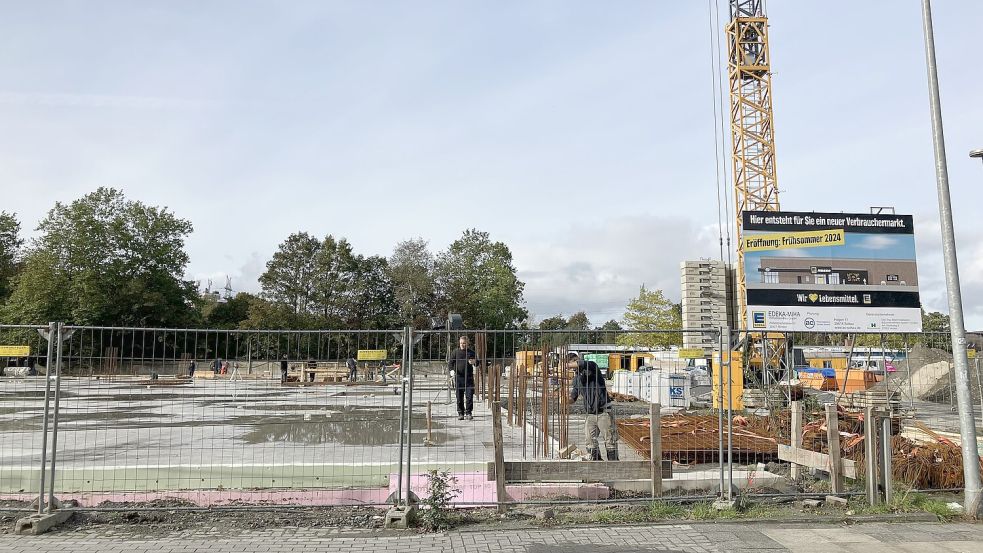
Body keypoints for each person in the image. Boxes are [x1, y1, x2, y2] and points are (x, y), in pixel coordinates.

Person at [567, 352, 618, 461]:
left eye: (575, 362)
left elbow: (582, 364)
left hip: (604, 412)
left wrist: (565, 365)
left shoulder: (592, 368)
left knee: (610, 441)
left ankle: (614, 467)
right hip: (590, 414)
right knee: (590, 441)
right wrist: (566, 400)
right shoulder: (576, 379)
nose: (575, 366)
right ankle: (597, 465)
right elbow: (573, 397)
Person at [448, 335, 476, 420]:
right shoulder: (455, 352)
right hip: (459, 378)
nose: (462, 345)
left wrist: (474, 362)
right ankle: (460, 413)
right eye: (461, 343)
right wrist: (451, 371)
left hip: (469, 378)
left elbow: (478, 362)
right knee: (459, 397)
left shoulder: (471, 352)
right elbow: (450, 363)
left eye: (464, 343)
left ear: (467, 343)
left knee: (469, 396)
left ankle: (468, 412)